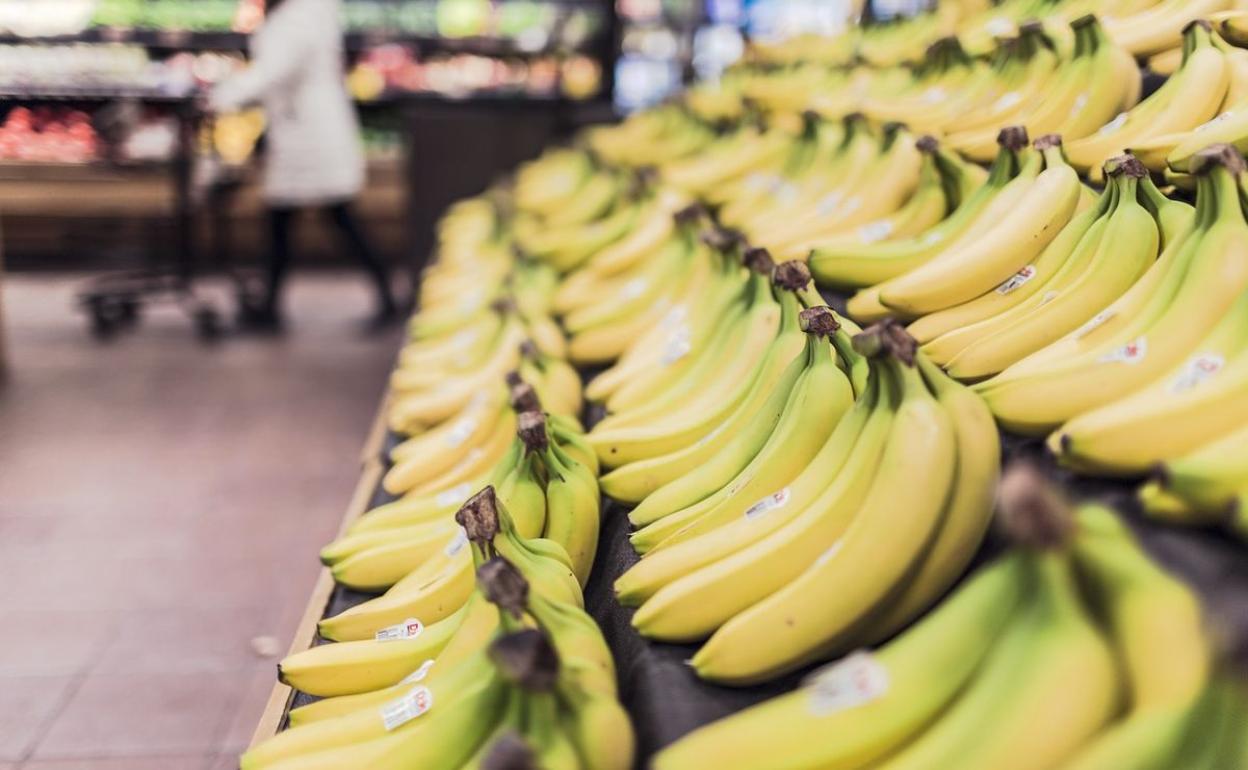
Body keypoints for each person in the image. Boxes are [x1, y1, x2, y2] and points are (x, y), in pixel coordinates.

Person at [209, 0, 398, 331]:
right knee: (289, 220)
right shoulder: (306, 12)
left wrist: (223, 95)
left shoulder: (301, 17)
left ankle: (385, 296)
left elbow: (274, 72)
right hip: (303, 130)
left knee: (333, 218)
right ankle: (272, 307)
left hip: (311, 134)